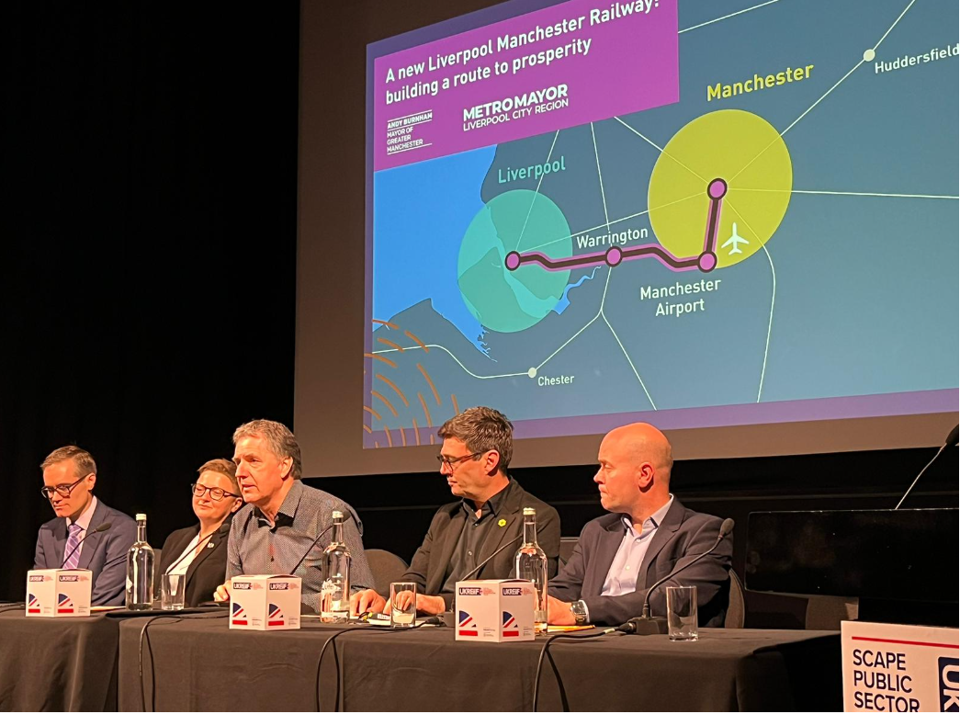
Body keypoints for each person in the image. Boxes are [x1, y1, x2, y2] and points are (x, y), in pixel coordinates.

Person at [350, 406, 560, 617]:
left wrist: (441, 604)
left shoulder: (536, 519)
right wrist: (386, 600)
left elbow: (522, 596)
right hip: (430, 630)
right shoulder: (445, 517)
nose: (443, 470)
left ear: (490, 461)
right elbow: (417, 579)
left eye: (451, 461)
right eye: (442, 461)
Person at [547, 423, 732, 627]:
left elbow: (671, 599)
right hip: (589, 642)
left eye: (607, 467)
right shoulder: (597, 530)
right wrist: (528, 600)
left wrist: (580, 611)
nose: (597, 477)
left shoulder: (705, 533)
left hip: (654, 645)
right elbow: (566, 588)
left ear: (644, 474)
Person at [214, 419, 374, 611]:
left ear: (284, 466)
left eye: (253, 461)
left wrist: (281, 601)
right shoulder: (241, 520)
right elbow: (235, 596)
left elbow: (359, 594)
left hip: (314, 628)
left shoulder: (331, 514)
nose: (239, 473)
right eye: (238, 463)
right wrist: (229, 593)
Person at [33, 445, 137, 606]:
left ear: (90, 481)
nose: (55, 498)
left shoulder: (121, 529)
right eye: (49, 490)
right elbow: (40, 594)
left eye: (63, 488)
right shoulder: (47, 532)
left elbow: (105, 598)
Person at [157, 458, 242, 607]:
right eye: (200, 489)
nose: (204, 497)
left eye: (216, 492)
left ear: (236, 504)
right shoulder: (176, 538)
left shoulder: (235, 541)